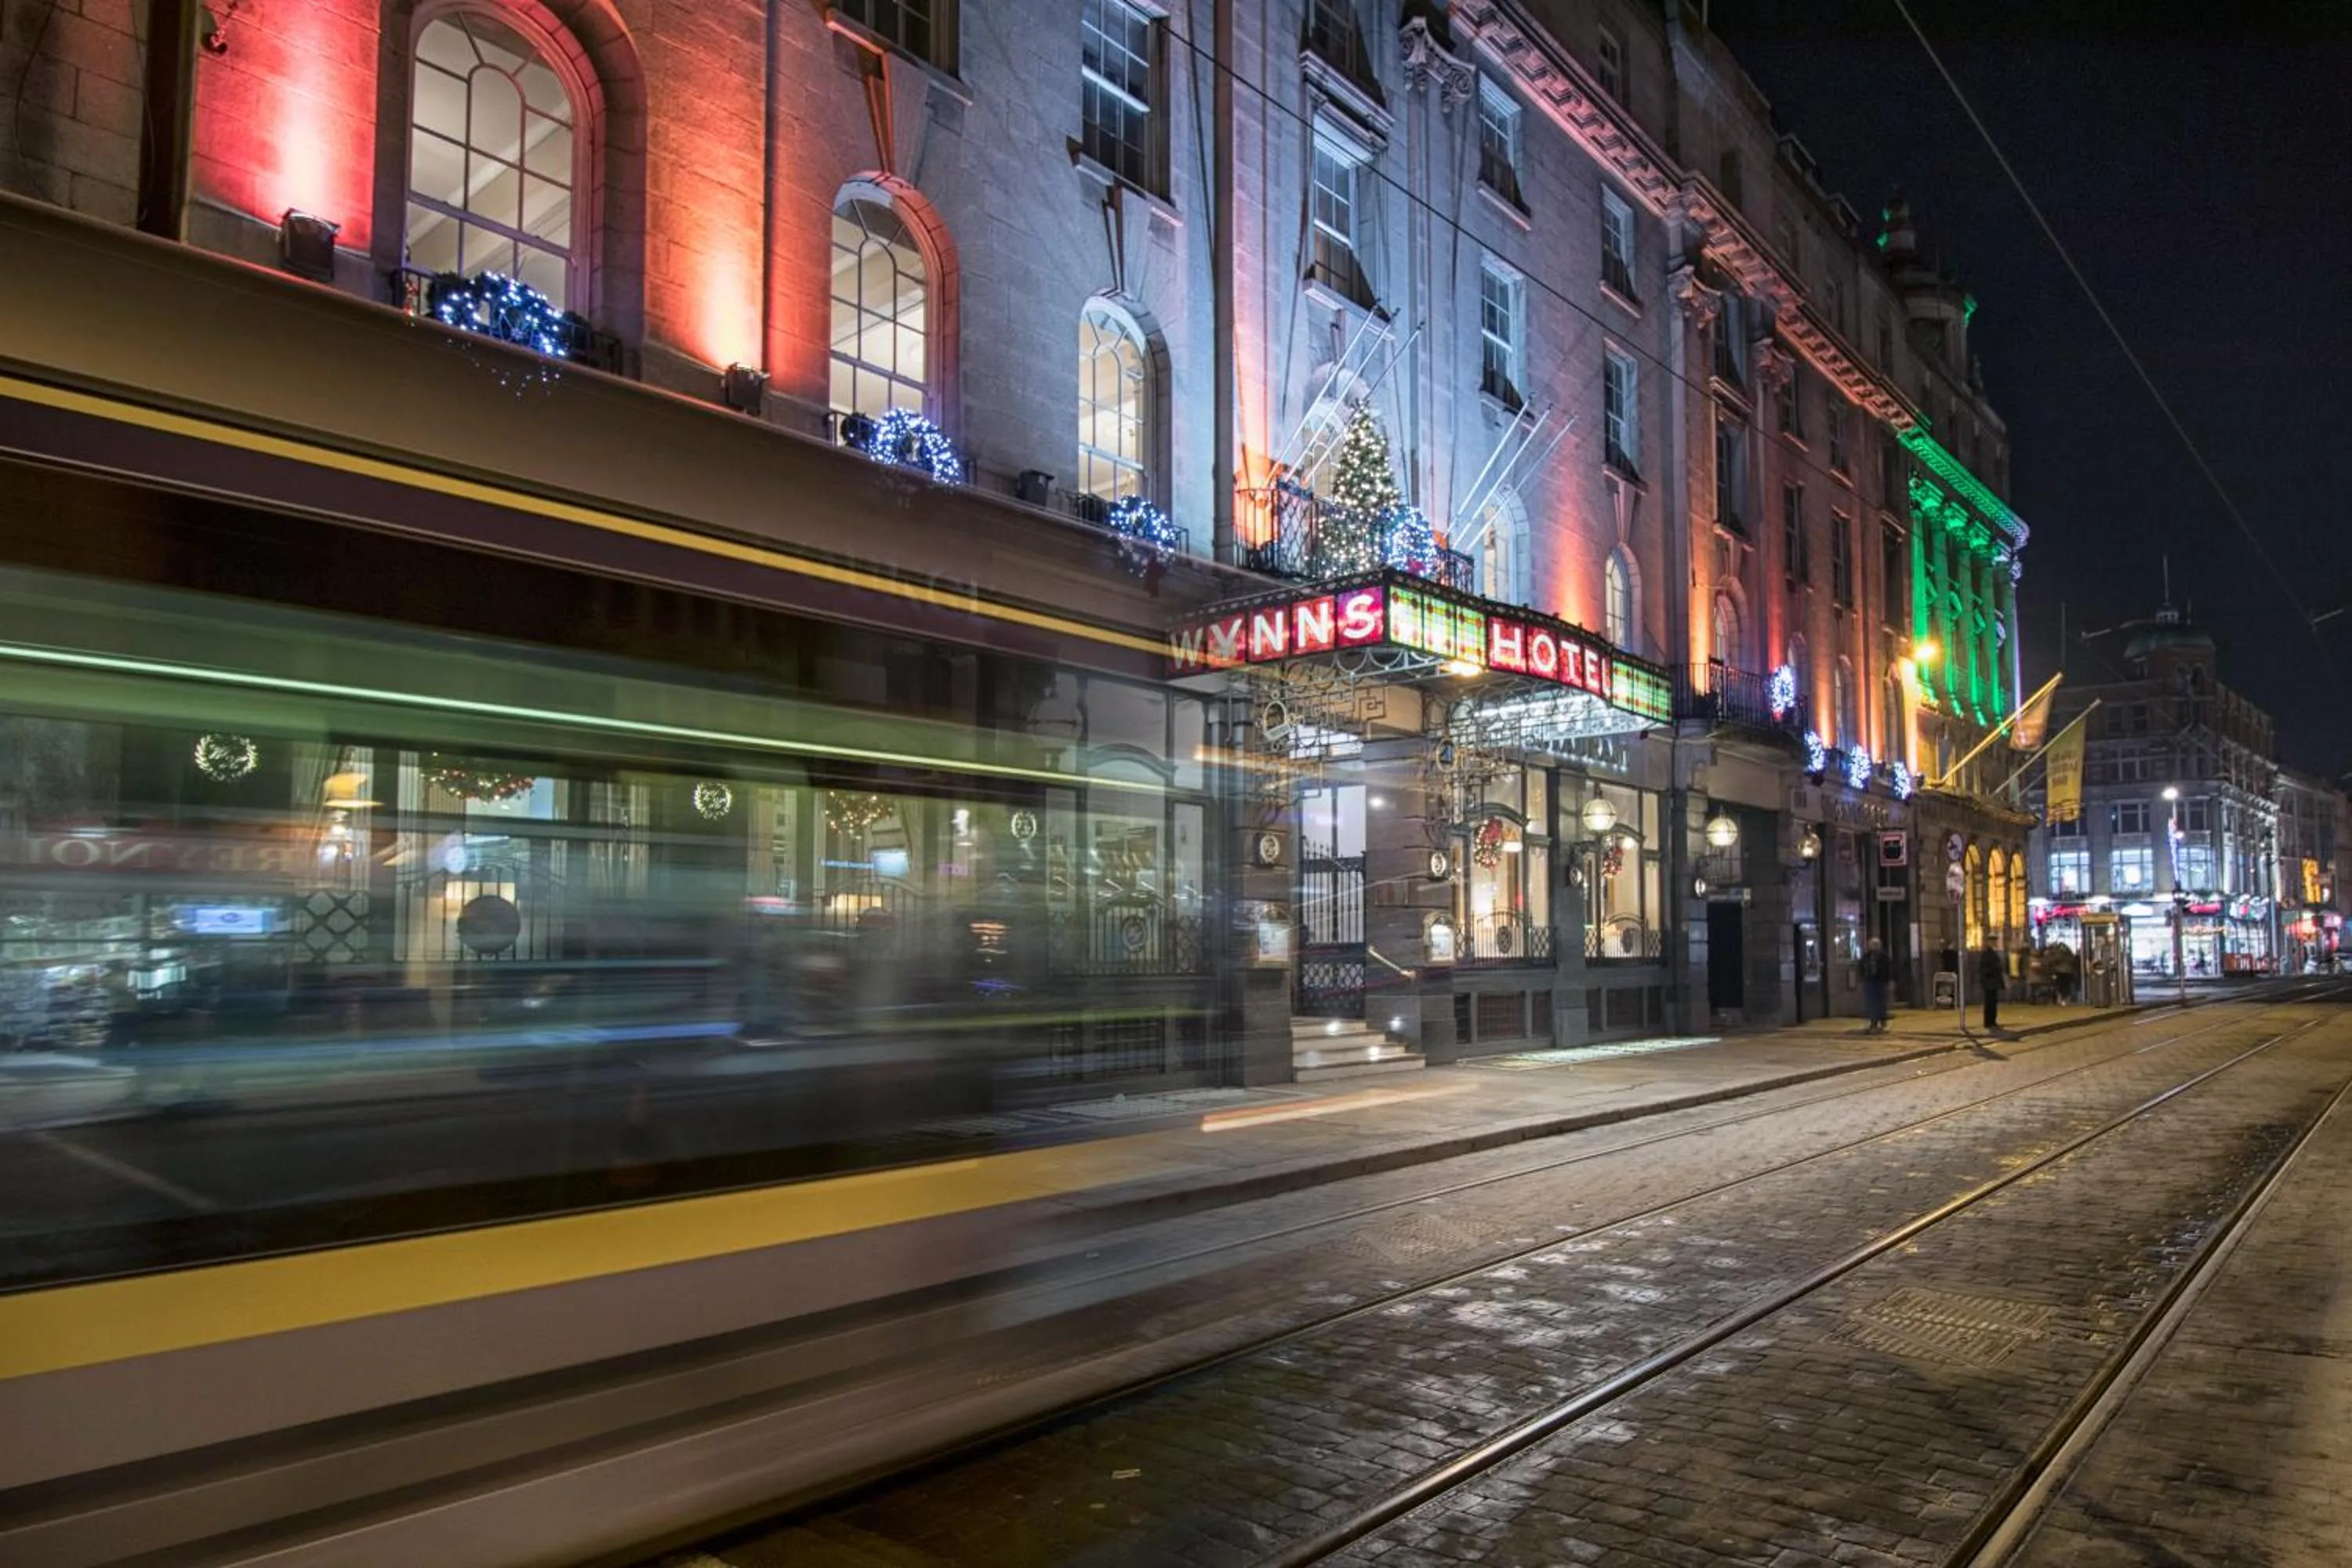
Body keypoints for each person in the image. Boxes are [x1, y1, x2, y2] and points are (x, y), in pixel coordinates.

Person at [1860, 938, 1893, 1033]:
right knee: (1871, 1003)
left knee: (1882, 1002)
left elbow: (1888, 969)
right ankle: (1873, 1022)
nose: (1872, 947)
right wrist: (1863, 978)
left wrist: (1888, 981)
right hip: (1870, 981)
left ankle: (1882, 1021)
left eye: (1875, 945)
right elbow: (1861, 966)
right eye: (1871, 945)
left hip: (1881, 981)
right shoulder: (1866, 957)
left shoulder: (1883, 956)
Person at [1977, 945, 2007, 1033]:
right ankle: (1989, 1022)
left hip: (1991, 983)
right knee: (1990, 1003)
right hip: (1990, 982)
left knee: (1992, 1003)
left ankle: (1991, 1022)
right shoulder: (1988, 956)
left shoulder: (1991, 955)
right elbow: (1990, 970)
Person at [2045, 941, 2079, 1007]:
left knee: (2060, 986)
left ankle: (2061, 999)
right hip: (2067, 972)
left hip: (2060, 971)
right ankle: (2064, 1000)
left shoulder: (2057, 954)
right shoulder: (2070, 955)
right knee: (2066, 986)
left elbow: (2053, 960)